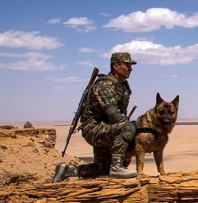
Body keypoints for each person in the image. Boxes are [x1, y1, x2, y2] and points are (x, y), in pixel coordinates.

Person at [53, 52, 138, 181]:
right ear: (116, 66)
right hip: (94, 129)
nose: (130, 69)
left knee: (102, 169)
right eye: (127, 65)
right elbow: (114, 115)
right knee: (129, 128)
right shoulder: (105, 85)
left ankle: (68, 171)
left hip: (106, 129)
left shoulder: (121, 85)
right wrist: (130, 127)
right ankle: (117, 167)